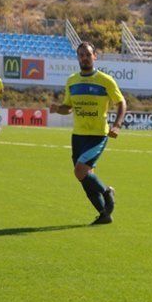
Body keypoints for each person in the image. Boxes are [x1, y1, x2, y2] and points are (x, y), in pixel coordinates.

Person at [50, 42, 126, 225]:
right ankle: (104, 214)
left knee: (79, 170)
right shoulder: (72, 81)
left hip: (98, 135)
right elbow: (68, 108)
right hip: (78, 136)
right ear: (78, 58)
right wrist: (57, 108)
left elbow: (121, 103)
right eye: (81, 55)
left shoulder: (105, 80)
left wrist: (117, 125)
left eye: (87, 54)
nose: (84, 58)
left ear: (95, 56)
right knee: (84, 177)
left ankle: (107, 192)